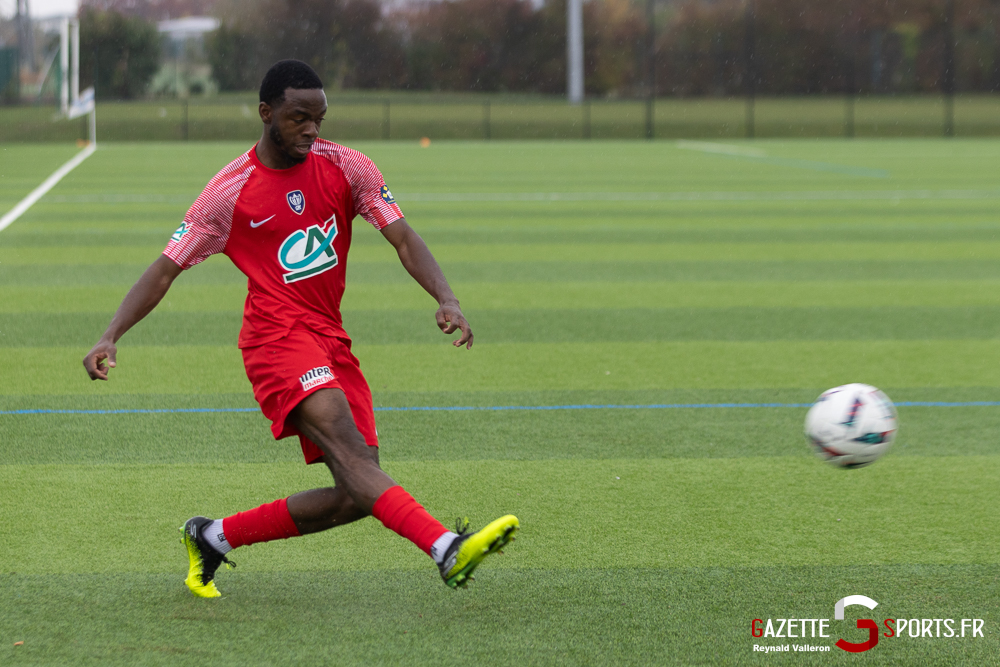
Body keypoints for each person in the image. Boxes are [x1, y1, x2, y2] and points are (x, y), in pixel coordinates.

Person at [83, 59, 518, 597]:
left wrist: (446, 297)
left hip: (330, 339)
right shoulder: (228, 193)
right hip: (274, 339)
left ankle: (213, 536)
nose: (312, 128)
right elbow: (165, 269)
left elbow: (404, 237)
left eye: (319, 117)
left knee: (355, 492)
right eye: (298, 117)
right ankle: (445, 548)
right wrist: (111, 333)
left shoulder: (348, 166)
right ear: (266, 114)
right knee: (348, 450)